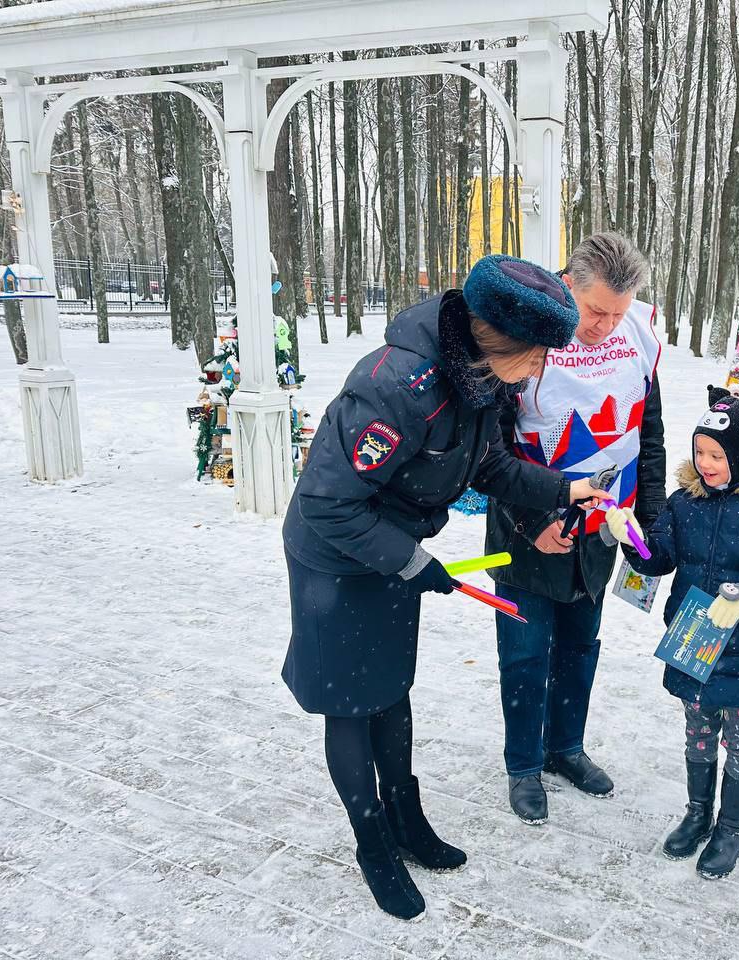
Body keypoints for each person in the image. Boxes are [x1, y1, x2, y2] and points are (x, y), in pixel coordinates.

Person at [280, 256, 610, 921]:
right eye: (541, 355)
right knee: (351, 703)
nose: (545, 368)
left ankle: (407, 820)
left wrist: (561, 488)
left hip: (392, 552)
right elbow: (327, 505)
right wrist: (409, 561)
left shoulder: (481, 379)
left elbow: (487, 463)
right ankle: (372, 842)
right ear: (504, 343)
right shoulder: (398, 386)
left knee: (391, 690)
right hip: (337, 560)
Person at [484, 232, 665, 825]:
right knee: (525, 650)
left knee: (580, 646)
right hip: (526, 526)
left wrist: (651, 521)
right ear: (568, 288)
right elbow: (491, 447)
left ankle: (565, 748)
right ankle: (522, 764)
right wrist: (532, 521)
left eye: (618, 311)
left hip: (601, 523)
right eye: (595, 311)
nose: (607, 325)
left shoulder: (636, 334)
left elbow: (651, 435)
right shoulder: (527, 333)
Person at [608, 387, 739, 879]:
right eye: (700, 451)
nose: (706, 463)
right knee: (697, 730)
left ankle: (732, 827)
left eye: (717, 455)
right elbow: (660, 557)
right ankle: (698, 812)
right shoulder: (684, 503)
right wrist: (630, 537)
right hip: (692, 639)